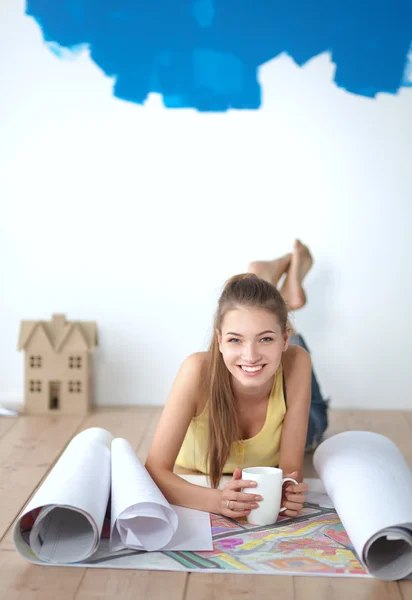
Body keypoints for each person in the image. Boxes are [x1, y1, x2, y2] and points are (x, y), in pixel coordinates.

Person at [145, 240, 329, 521]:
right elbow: (154, 471)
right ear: (219, 340)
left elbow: (290, 472)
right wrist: (218, 501)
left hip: (292, 378)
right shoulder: (196, 370)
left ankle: (269, 289)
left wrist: (288, 494)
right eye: (234, 339)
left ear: (283, 340)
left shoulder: (295, 360)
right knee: (267, 347)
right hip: (277, 360)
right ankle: (269, 285)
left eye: (265, 338)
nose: (251, 355)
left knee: (314, 419)